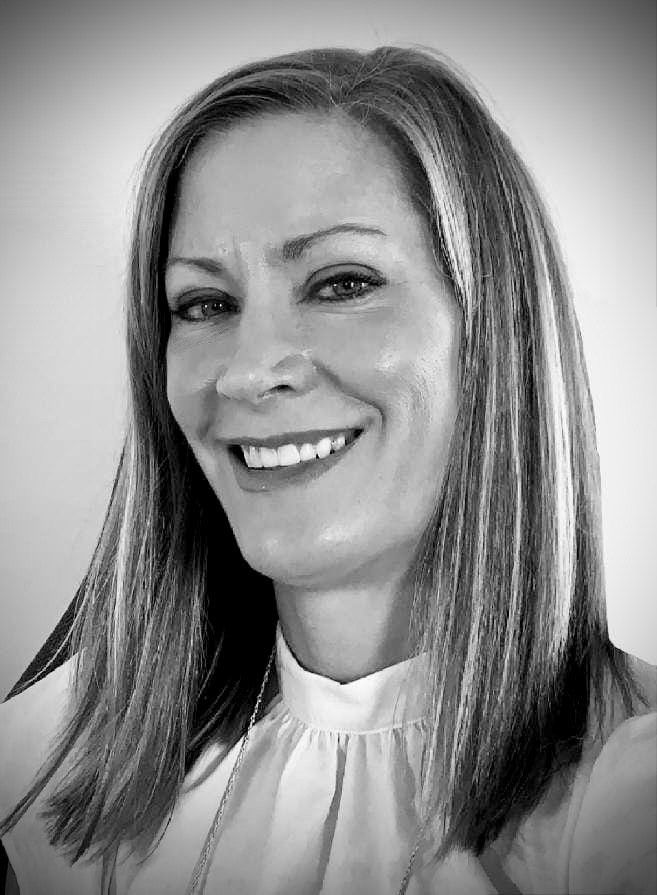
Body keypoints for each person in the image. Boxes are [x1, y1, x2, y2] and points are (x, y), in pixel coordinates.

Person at [0, 44, 655, 895]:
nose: (246, 370)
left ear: (496, 334)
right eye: (205, 304)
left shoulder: (632, 801)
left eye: (341, 283)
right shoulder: (46, 772)